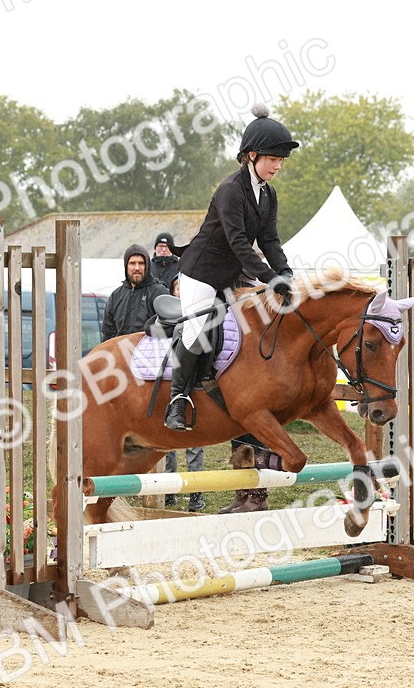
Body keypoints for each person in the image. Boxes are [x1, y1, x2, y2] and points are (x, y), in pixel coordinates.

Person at [165, 103, 298, 513]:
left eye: (280, 160)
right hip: (201, 274)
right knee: (199, 328)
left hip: (232, 277)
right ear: (252, 156)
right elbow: (241, 243)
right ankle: (178, 398)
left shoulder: (268, 194)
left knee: (251, 330)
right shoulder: (229, 190)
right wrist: (267, 277)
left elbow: (270, 240)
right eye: (273, 158)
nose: (277, 166)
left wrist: (286, 271)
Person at [158, 273, 207, 512]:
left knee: (194, 442)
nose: (180, 292)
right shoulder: (167, 321)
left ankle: (196, 491)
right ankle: (168, 489)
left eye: (183, 289)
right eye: (176, 289)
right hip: (166, 385)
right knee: (168, 444)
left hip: (196, 389)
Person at [101, 244, 169, 343]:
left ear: (147, 266)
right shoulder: (116, 296)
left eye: (141, 263)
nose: (137, 268)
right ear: (126, 266)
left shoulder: (159, 293)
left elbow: (168, 331)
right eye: (132, 263)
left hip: (150, 354)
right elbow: (108, 333)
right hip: (120, 354)